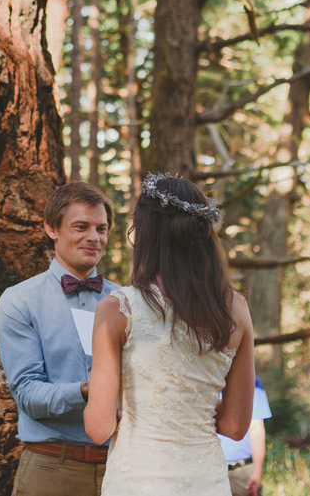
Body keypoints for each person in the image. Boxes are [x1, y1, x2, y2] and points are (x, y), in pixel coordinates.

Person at [84, 173, 256, 496]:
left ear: (147, 234)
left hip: (137, 482)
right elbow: (235, 426)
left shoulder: (118, 308)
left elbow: (98, 428)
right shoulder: (236, 308)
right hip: (205, 482)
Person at [0, 181, 119, 496]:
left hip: (123, 468)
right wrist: (87, 391)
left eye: (101, 229)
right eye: (81, 227)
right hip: (52, 469)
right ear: (52, 228)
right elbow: (26, 393)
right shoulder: (19, 300)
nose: (94, 237)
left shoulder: (127, 302)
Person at [220, 375, 271, 496]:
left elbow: (257, 429)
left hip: (243, 472)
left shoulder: (252, 381)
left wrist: (257, 474)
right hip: (208, 470)